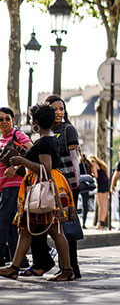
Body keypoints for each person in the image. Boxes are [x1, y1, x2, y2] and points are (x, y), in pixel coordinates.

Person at [0, 103, 75, 281]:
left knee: (56, 231)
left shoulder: (44, 141)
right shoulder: (50, 138)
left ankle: (67, 270)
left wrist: (22, 161)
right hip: (47, 188)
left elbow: (46, 167)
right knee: (26, 229)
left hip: (44, 189)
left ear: (35, 123)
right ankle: (14, 267)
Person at [0, 107, 31, 267]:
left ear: (13, 120)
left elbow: (31, 151)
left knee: (2, 221)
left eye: (7, 118)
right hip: (3, 186)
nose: (4, 122)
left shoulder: (17, 135)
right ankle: (21, 261)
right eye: (1, 119)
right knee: (12, 225)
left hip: (15, 185)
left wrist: (16, 167)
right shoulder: (1, 139)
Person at [90, 156, 110, 229]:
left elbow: (96, 175)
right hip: (106, 184)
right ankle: (102, 222)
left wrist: (91, 174)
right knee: (104, 205)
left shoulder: (93, 163)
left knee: (100, 206)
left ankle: (99, 224)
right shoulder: (102, 165)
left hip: (100, 185)